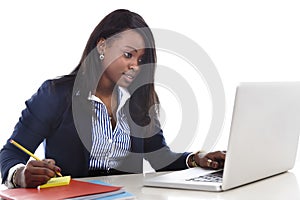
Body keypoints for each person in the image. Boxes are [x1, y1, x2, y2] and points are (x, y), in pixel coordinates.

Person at [0, 9, 225, 188]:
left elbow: (160, 157)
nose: (135, 66)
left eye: (141, 59)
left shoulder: (137, 101)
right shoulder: (55, 95)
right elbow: (10, 153)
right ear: (102, 45)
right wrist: (20, 174)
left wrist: (198, 158)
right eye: (128, 55)